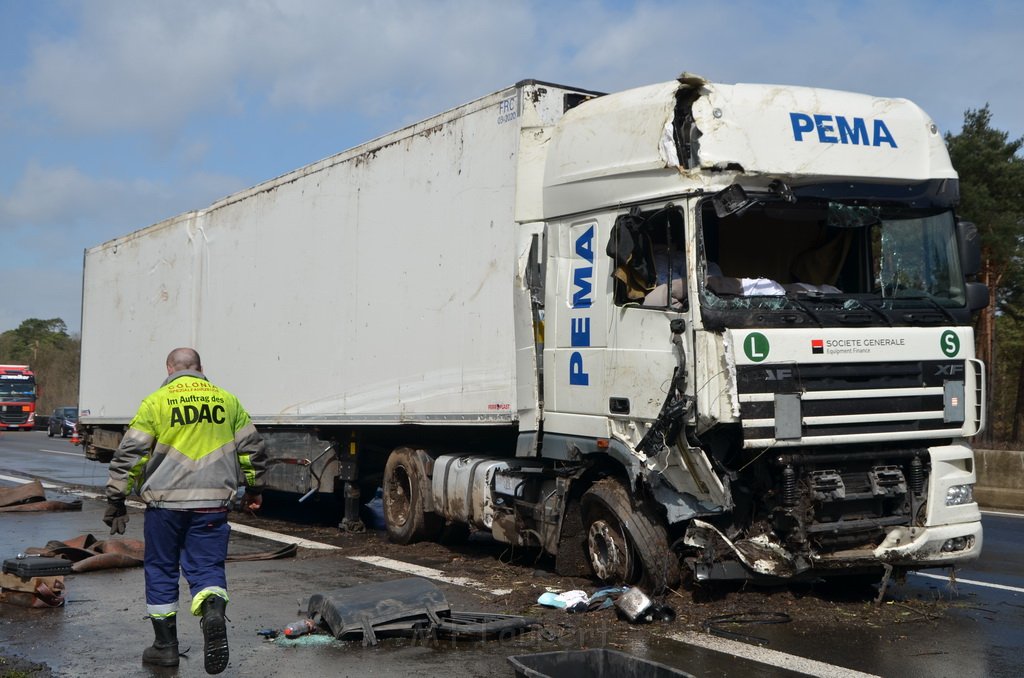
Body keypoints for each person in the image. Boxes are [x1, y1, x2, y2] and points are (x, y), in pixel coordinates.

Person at [104, 347, 266, 674]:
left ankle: (165, 647)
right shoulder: (227, 401)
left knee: (162, 569)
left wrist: (116, 498)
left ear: (169, 368)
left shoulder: (156, 402)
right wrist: (254, 487)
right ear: (200, 367)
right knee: (207, 567)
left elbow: (130, 454)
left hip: (165, 504)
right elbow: (253, 448)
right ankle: (212, 610)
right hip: (212, 504)